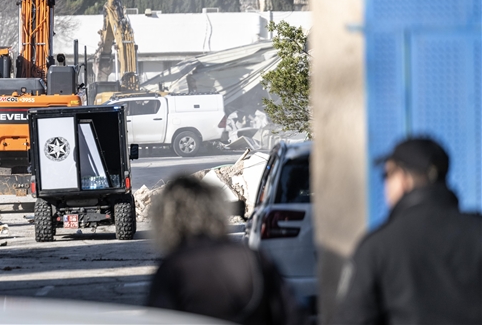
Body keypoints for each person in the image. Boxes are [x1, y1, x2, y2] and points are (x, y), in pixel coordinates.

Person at [332, 137, 482, 324]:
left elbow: (351, 318)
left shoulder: (378, 247)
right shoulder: (477, 231)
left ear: (403, 180)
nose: (385, 186)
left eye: (386, 176)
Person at [146, 175, 299, 324]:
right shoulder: (252, 257)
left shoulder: (171, 269)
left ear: (166, 221)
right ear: (216, 210)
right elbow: (292, 315)